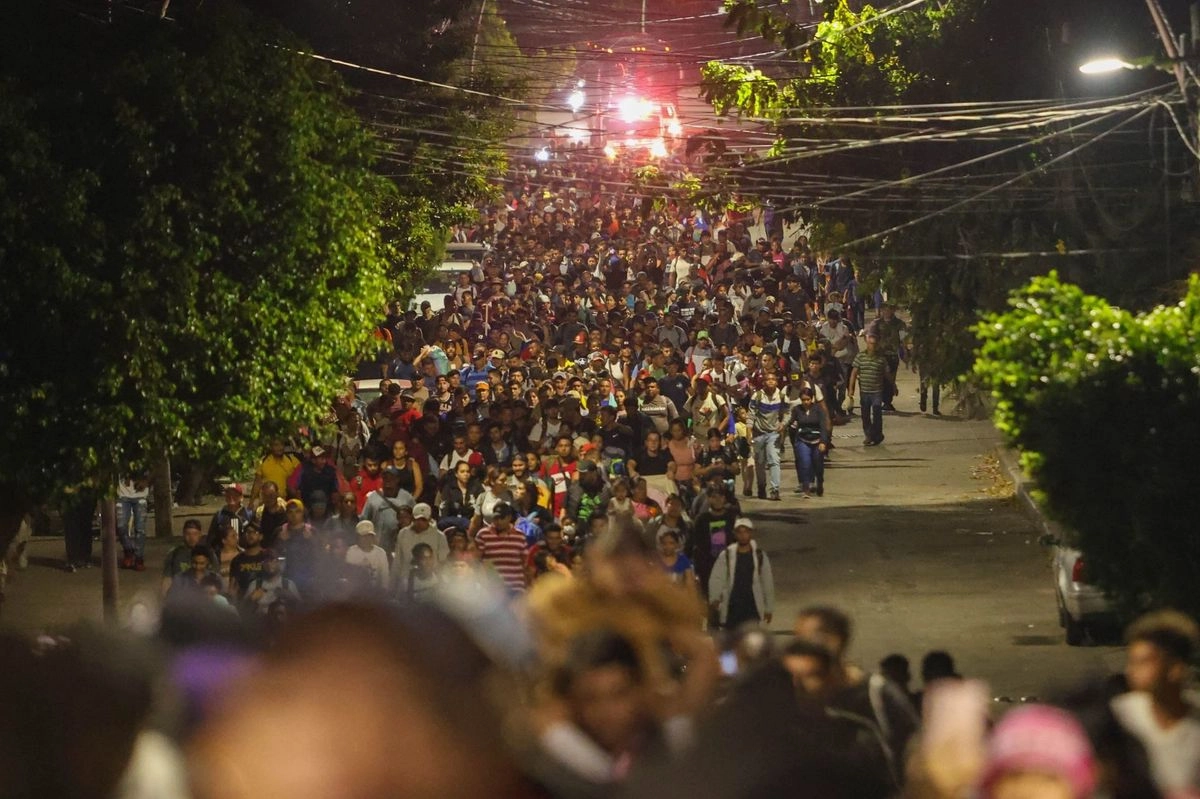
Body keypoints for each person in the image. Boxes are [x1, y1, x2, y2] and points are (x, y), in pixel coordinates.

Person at [1111, 609, 1200, 794]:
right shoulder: (1120, 717)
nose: (1131, 671)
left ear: (1175, 668)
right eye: (1131, 662)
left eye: (1143, 662)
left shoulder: (1194, 722)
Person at [707, 518, 774, 630]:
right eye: (739, 532)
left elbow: (767, 582)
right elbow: (717, 578)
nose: (743, 535)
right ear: (735, 534)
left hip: (752, 608)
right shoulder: (726, 555)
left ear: (751, 533)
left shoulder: (760, 556)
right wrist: (715, 598)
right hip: (732, 608)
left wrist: (769, 608)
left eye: (746, 532)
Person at [473, 502, 528, 595]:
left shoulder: (520, 536)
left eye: (502, 518)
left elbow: (525, 563)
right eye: (496, 518)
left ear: (509, 518)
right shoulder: (483, 534)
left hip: (516, 588)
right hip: (492, 590)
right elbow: (476, 561)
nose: (498, 521)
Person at [748, 372, 787, 500]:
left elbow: (788, 412)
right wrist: (749, 432)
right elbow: (751, 415)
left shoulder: (781, 396)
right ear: (764, 382)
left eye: (773, 379)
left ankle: (775, 489)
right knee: (760, 462)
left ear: (777, 382)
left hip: (773, 434)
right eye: (768, 379)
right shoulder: (757, 396)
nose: (771, 381)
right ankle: (761, 486)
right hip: (759, 433)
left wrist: (783, 423)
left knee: (774, 460)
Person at [361, 466, 416, 556]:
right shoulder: (373, 497)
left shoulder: (407, 498)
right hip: (377, 545)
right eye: (385, 478)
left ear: (397, 479)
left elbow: (414, 520)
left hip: (399, 545)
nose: (388, 480)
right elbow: (364, 519)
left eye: (391, 478)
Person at [788, 387, 830, 498]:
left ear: (812, 399)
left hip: (817, 440)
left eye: (808, 399)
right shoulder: (797, 410)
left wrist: (823, 442)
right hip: (803, 440)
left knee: (818, 465)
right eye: (803, 400)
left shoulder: (818, 409)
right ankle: (806, 489)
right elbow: (791, 423)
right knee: (805, 463)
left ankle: (819, 482)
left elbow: (823, 427)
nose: (806, 402)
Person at [848, 334, 889, 447]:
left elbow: (886, 374)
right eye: (871, 344)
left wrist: (893, 386)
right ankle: (868, 435)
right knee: (865, 414)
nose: (872, 346)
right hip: (865, 391)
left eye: (874, 344)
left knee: (877, 412)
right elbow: (854, 373)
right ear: (867, 343)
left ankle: (877, 434)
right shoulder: (860, 356)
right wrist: (851, 389)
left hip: (877, 391)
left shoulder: (881, 359)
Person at [161, 519, 217, 598]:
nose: (191, 538)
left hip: (204, 595)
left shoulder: (209, 553)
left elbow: (215, 578)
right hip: (181, 595)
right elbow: (167, 580)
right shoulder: (174, 553)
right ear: (183, 534)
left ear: (200, 534)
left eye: (195, 534)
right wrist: (166, 599)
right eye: (188, 534)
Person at [393, 502, 449, 577]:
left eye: (423, 520)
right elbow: (397, 561)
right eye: (417, 519)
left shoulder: (440, 537)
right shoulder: (403, 533)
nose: (420, 522)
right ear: (412, 518)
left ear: (429, 519)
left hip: (431, 580)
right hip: (406, 579)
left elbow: (443, 562)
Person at [228, 521, 270, 602]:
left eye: (254, 532)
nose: (250, 535)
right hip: (243, 603)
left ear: (261, 536)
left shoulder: (268, 557)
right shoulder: (237, 560)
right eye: (247, 532)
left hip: (265, 601)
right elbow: (232, 587)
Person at [345, 520, 390, 593]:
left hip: (375, 593)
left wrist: (384, 591)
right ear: (357, 537)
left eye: (369, 536)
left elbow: (385, 577)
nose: (367, 539)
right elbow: (348, 575)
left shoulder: (381, 553)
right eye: (363, 536)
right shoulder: (351, 552)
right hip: (354, 592)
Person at [116, 475, 149, 571]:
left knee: (140, 529)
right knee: (121, 526)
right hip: (122, 495)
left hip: (140, 494)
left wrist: (147, 481)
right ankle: (128, 551)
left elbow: (155, 469)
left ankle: (139, 558)